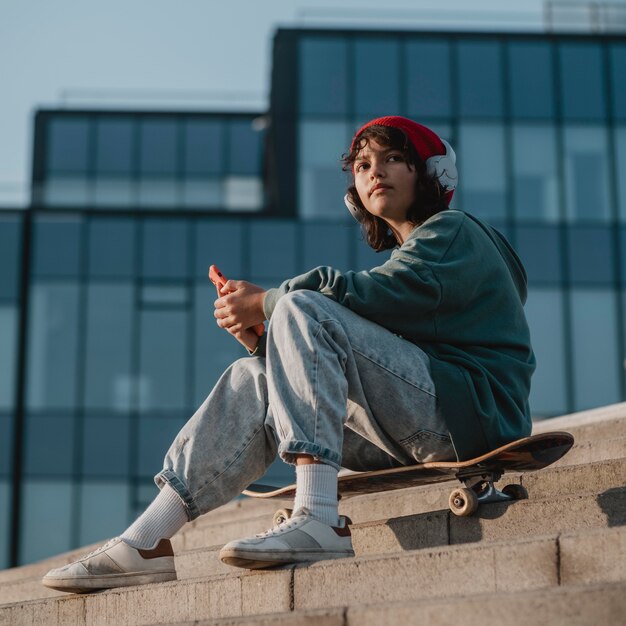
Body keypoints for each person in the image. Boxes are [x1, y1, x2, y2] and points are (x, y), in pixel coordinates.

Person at [42, 116, 535, 593]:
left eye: (394, 158)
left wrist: (270, 302)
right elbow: (359, 354)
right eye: (362, 166)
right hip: (411, 423)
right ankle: (146, 541)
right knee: (252, 375)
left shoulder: (454, 231)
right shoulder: (416, 256)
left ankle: (317, 516)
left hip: (469, 416)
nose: (375, 171)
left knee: (304, 306)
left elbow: (369, 295)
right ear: (355, 193)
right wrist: (266, 343)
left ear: (429, 174)